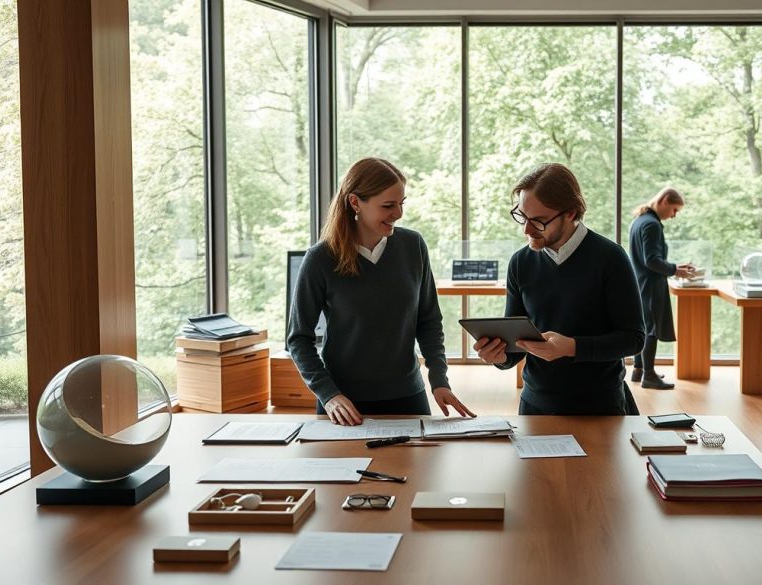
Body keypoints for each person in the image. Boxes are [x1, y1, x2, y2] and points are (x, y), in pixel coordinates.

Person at [287, 157, 474, 425]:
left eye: (401, 203)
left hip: (408, 396)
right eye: (388, 205)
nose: (398, 213)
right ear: (355, 203)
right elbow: (298, 339)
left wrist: (439, 380)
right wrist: (328, 395)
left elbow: (429, 321)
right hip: (343, 403)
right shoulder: (320, 259)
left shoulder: (413, 246)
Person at [473, 163, 645, 415]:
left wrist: (570, 347)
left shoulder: (611, 258)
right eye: (522, 216)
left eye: (539, 221)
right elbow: (516, 342)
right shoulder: (520, 262)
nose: (527, 230)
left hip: (600, 406)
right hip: (534, 404)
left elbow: (633, 339)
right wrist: (499, 356)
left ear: (572, 214)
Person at [628, 187, 694, 390]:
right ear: (665, 200)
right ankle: (649, 375)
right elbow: (652, 260)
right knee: (652, 329)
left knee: (644, 326)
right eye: (674, 210)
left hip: (639, 282)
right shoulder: (652, 225)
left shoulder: (639, 221)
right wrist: (676, 270)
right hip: (651, 285)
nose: (674, 216)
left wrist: (675, 268)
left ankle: (638, 370)